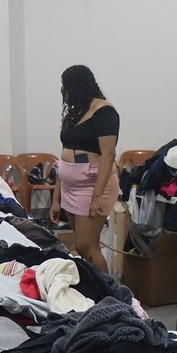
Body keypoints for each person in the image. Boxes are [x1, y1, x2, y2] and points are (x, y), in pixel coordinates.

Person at [51, 65, 118, 273]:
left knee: (86, 246)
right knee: (83, 246)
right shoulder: (77, 112)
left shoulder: (104, 112)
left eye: (66, 87)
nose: (63, 92)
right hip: (71, 187)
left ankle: (110, 294)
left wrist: (97, 196)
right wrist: (56, 198)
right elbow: (64, 157)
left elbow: (108, 155)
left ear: (77, 86)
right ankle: (95, 290)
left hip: (93, 186)